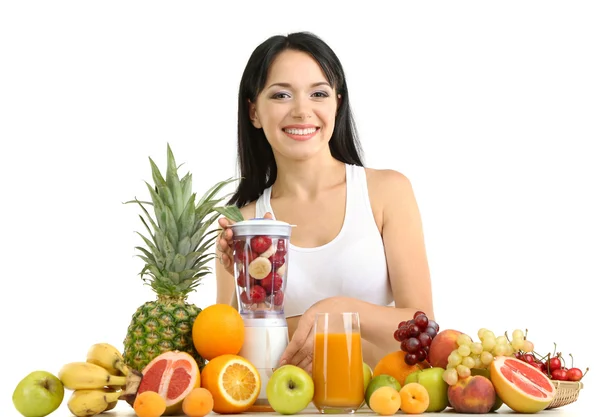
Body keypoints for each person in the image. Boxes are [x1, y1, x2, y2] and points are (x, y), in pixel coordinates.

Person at [214, 31, 434, 373]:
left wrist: (338, 311)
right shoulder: (244, 224)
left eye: (318, 93)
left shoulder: (386, 192)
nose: (302, 110)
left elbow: (423, 330)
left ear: (337, 104)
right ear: (254, 112)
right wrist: (241, 285)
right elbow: (229, 357)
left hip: (380, 406)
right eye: (281, 95)